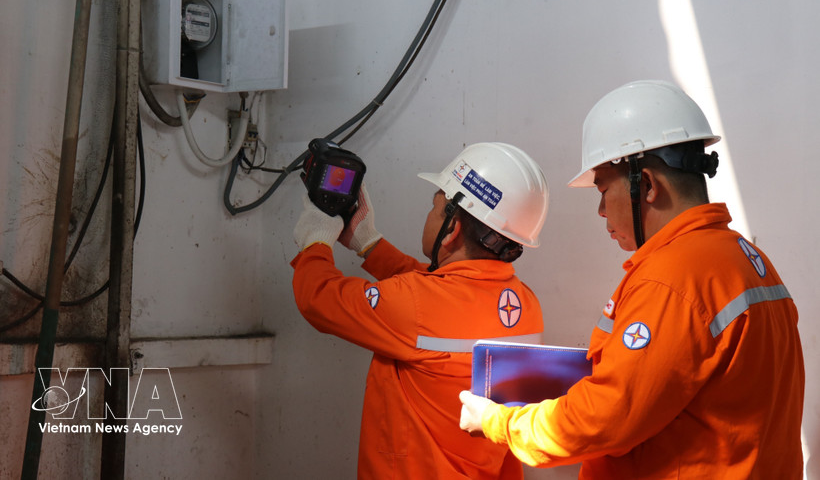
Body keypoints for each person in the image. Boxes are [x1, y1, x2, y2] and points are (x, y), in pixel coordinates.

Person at [459, 80, 805, 478]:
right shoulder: (746, 258)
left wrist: (499, 422)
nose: (602, 210)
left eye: (604, 189)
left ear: (649, 185)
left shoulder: (673, 279)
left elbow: (605, 419)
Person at [291, 142, 550, 479]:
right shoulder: (525, 304)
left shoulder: (417, 303)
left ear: (452, 228)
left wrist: (315, 240)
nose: (430, 214)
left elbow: (318, 298)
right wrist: (369, 244)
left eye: (435, 206)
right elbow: (438, 293)